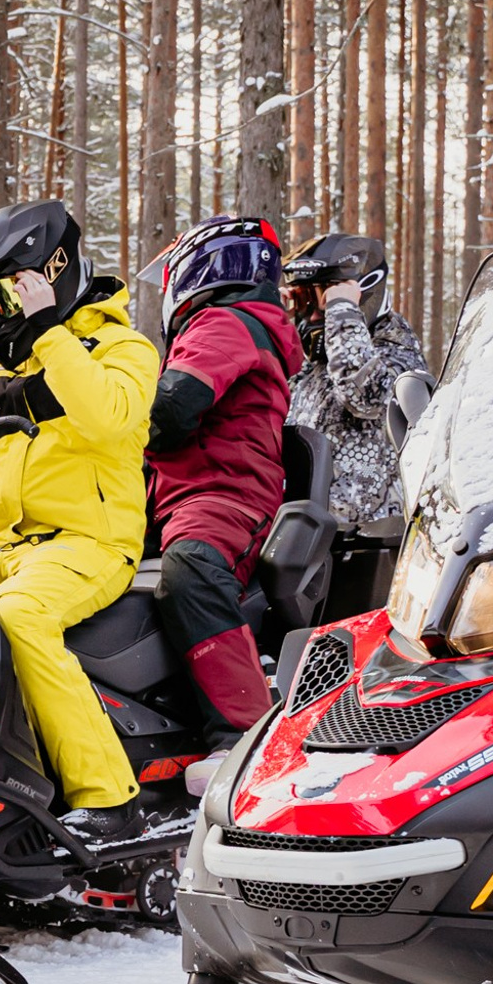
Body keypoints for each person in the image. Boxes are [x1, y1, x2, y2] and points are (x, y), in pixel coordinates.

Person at [0, 199, 161, 843]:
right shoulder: (3, 364)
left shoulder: (123, 349)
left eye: (6, 290)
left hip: (89, 543)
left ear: (49, 276)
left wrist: (49, 329)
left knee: (21, 617)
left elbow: (109, 418)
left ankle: (109, 800)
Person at [141, 216, 303, 766]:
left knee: (192, 567)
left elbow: (170, 411)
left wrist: (105, 415)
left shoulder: (225, 323)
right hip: (178, 495)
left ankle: (245, 741)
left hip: (223, 494)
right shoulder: (226, 324)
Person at [283, 233, 431, 545]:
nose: (312, 315)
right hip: (308, 537)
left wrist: (341, 308)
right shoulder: (316, 364)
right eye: (304, 300)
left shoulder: (396, 352)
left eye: (320, 300)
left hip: (370, 545)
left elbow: (365, 396)